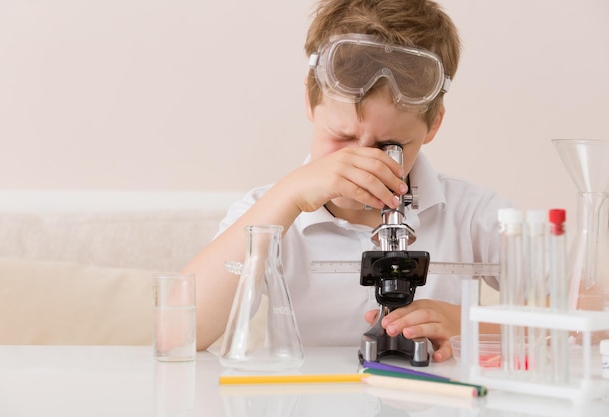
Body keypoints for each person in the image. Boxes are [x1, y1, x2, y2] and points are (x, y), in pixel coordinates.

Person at [183, 0, 510, 362]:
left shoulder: (470, 212)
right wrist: (289, 196)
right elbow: (178, 333)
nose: (362, 161)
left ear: (433, 125)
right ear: (310, 101)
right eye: (341, 136)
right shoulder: (267, 209)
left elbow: (582, 309)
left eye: (392, 147)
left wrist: (467, 324)